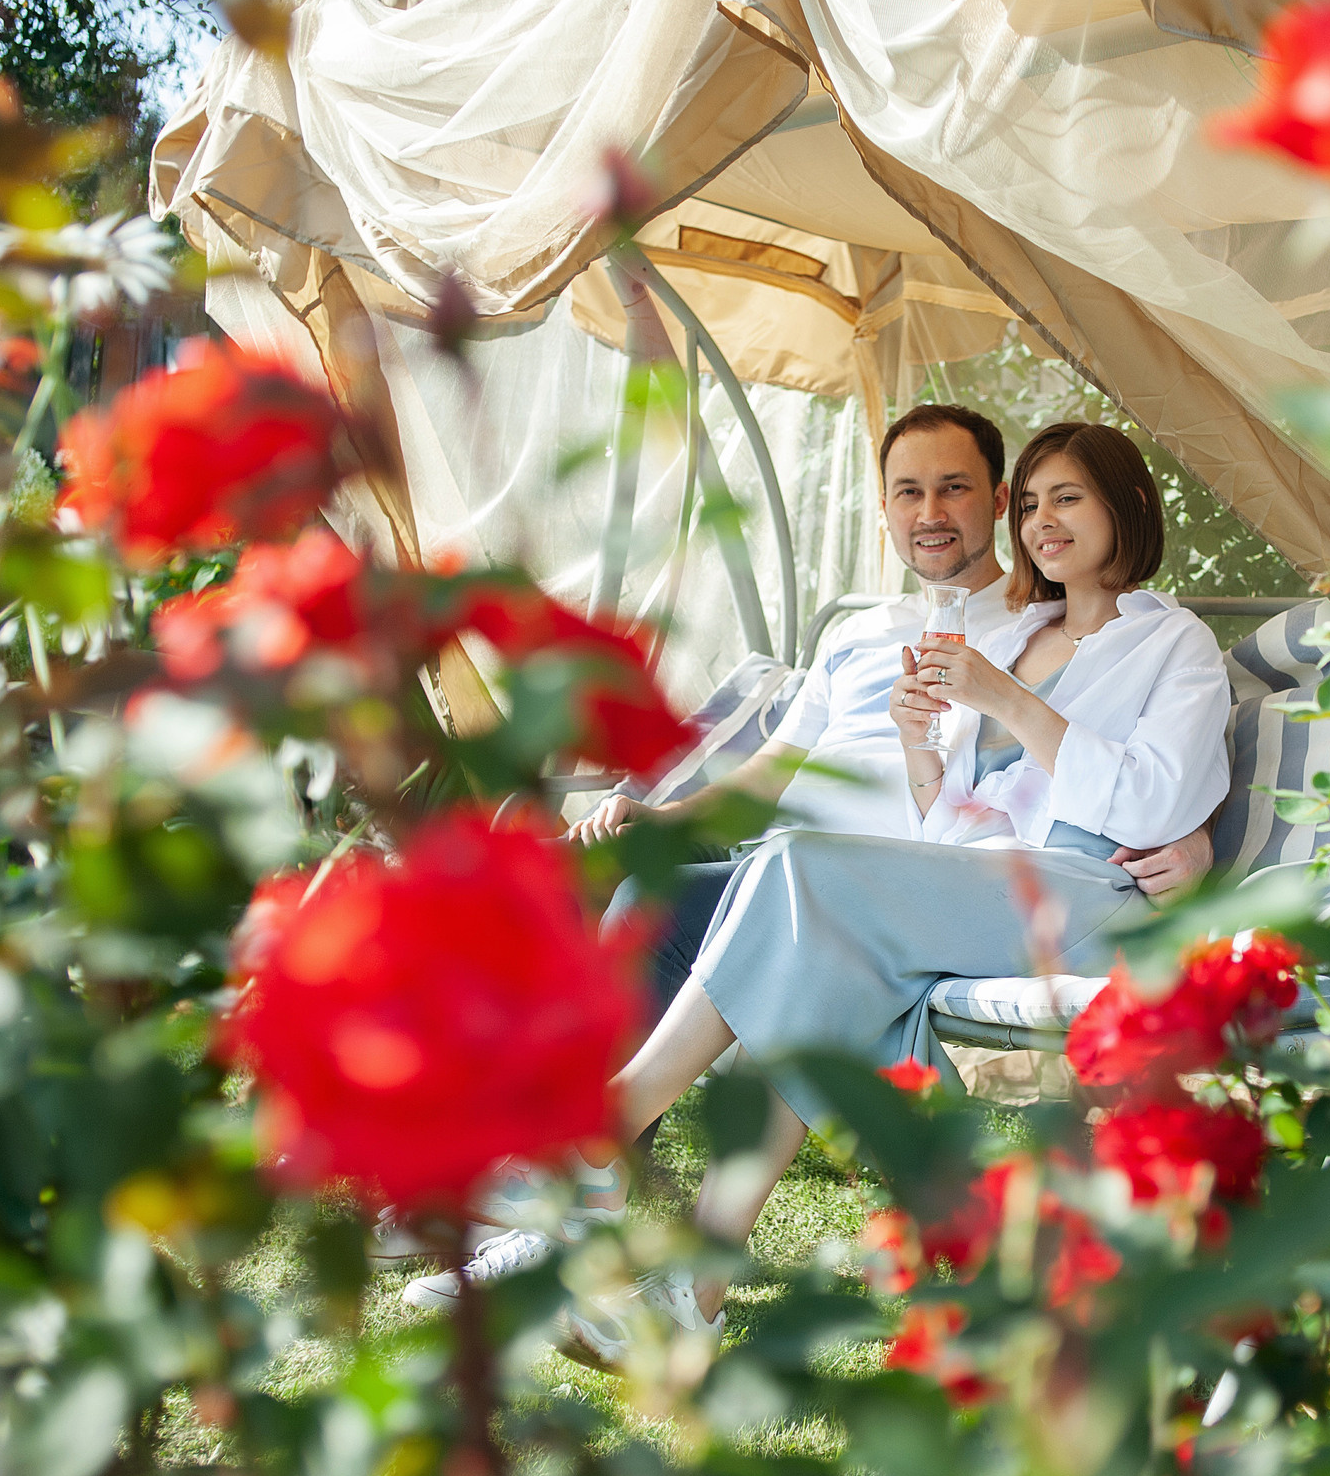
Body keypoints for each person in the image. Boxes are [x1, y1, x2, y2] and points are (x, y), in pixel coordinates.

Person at [400, 407, 1218, 1306]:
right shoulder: (1024, 637)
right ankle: (687, 1293)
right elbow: (955, 816)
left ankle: (592, 1145)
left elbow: (1158, 795)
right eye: (1034, 503)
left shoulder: (1170, 640)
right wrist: (922, 752)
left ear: (1128, 503)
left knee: (796, 873)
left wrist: (1175, 821)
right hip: (987, 884)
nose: (1042, 522)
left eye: (1066, 499)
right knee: (780, 934)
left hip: (1086, 895)